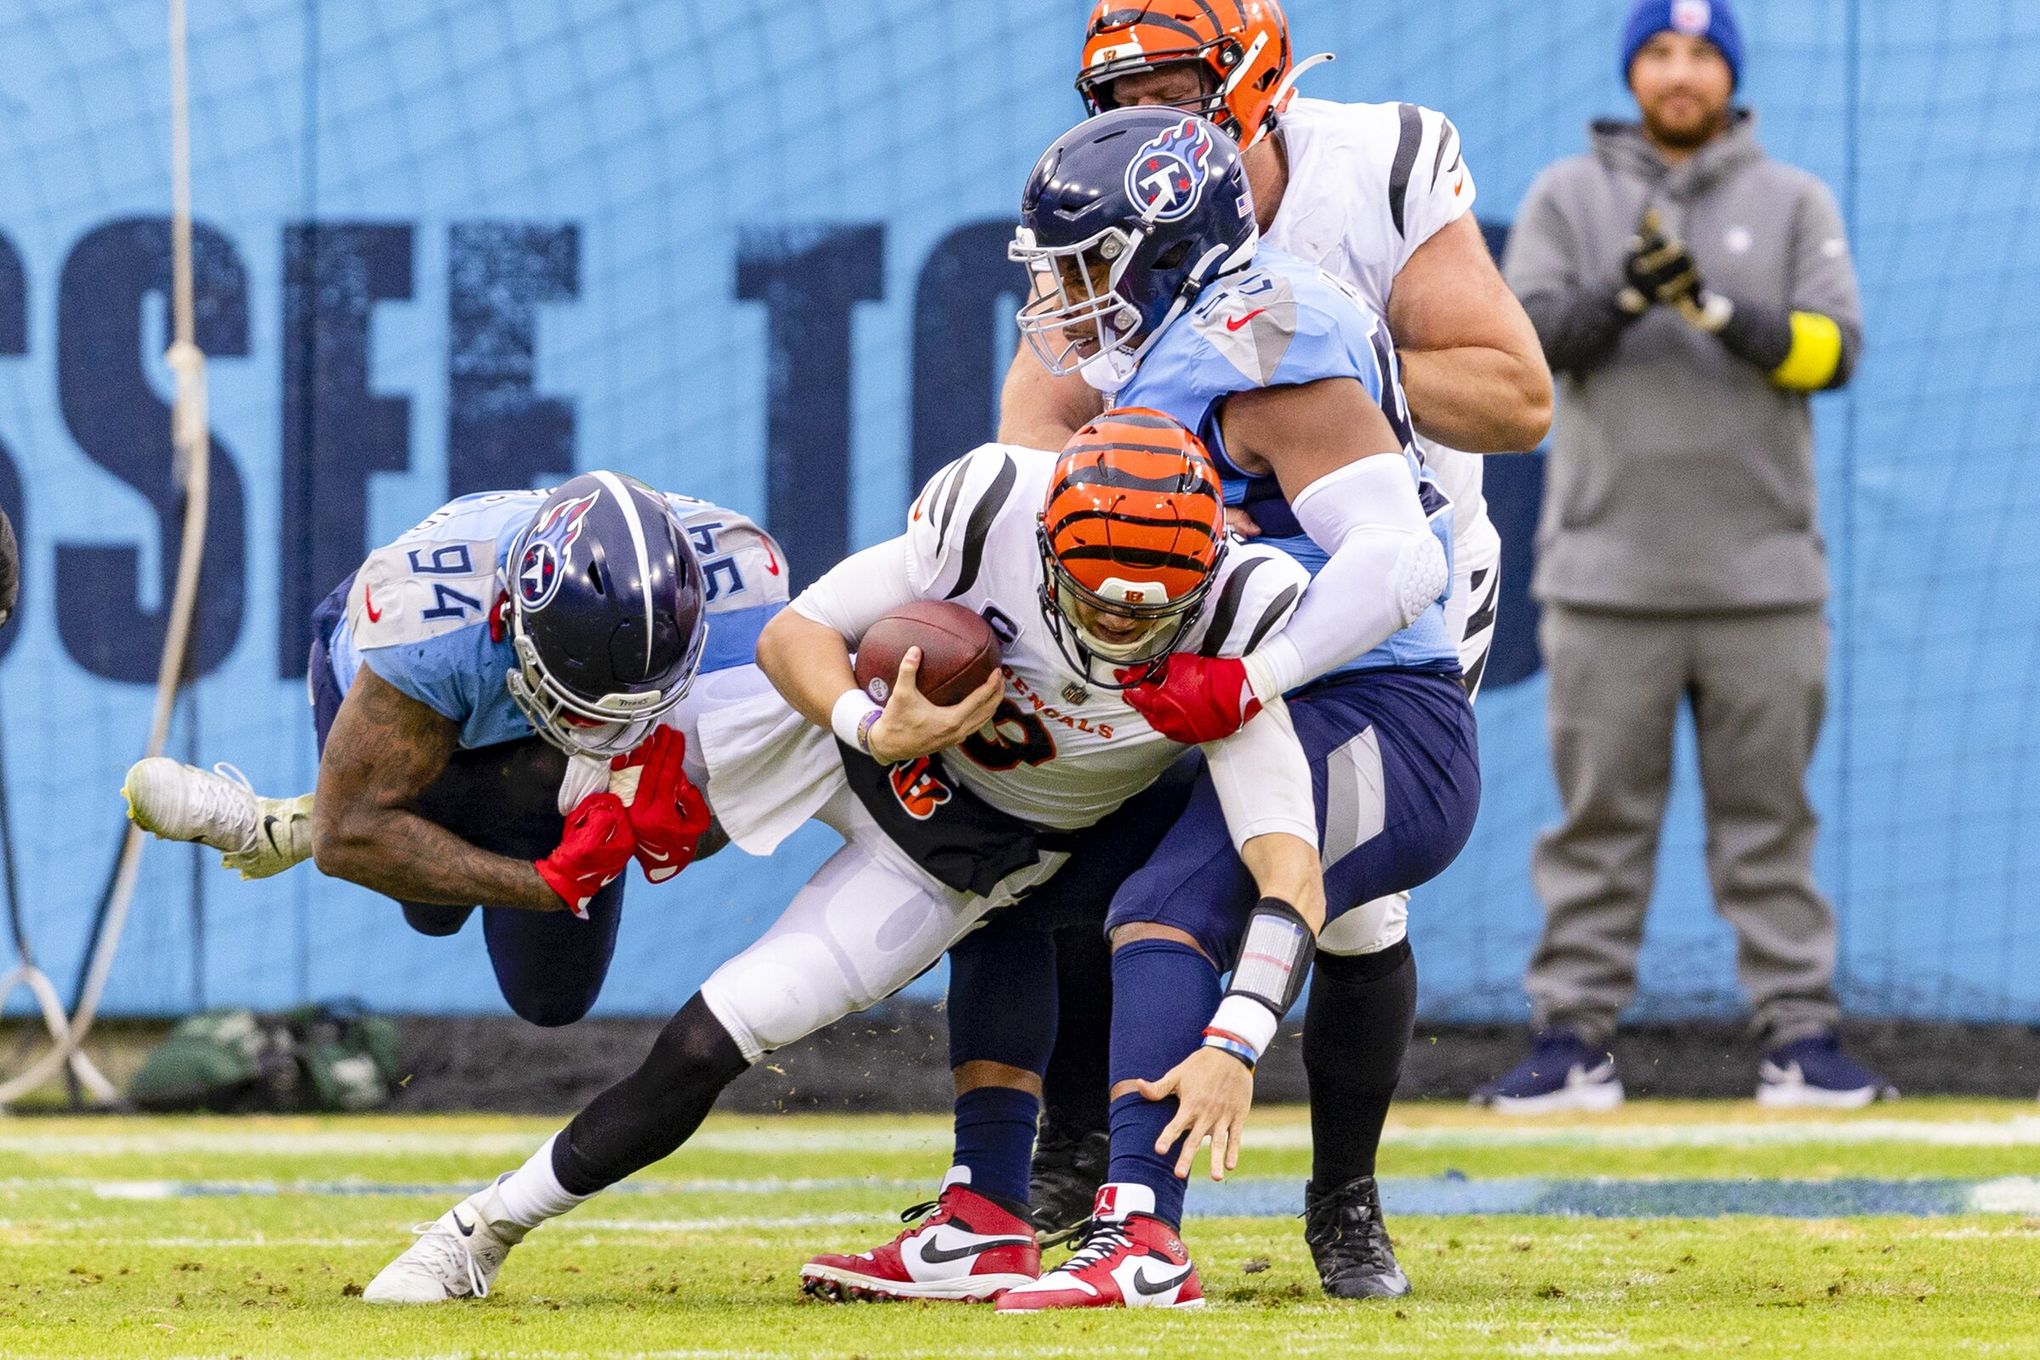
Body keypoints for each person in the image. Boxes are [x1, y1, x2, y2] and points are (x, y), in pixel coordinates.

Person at [357, 411, 1326, 1305]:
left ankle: (476, 1232)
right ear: (1042, 539)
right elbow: (797, 632)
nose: (1118, 623)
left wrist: (1237, 1035)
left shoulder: (1246, 620)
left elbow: (1288, 861)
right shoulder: (989, 506)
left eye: (1147, 609)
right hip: (821, 742)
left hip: (950, 855)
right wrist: (868, 721)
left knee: (706, 1042)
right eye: (1094, 594)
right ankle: (330, 832)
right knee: (551, 779)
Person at [806, 107, 1480, 1313]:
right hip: (1254, 699)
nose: (1063, 292)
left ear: (1163, 246)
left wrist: (1248, 677)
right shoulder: (1178, 333)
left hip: (1377, 709)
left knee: (1180, 897)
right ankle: (986, 1215)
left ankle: (1145, 1236)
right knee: (1011, 860)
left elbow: (1400, 566)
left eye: (1084, 262)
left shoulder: (1265, 330)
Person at [995, 0, 1551, 1284]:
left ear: (1251, 78)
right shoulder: (1109, 212)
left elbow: (1519, 398)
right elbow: (1031, 450)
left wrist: (1304, 370)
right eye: (1123, 91)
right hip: (1198, 591)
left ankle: (1340, 1193)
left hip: (1372, 586)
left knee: (1341, 901)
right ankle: (1088, 1156)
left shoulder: (1364, 183)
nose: (1154, 114)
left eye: (1180, 82)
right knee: (1095, 837)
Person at [1474, 0, 1890, 1112]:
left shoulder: (1792, 196)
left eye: (1702, 53)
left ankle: (1800, 1037)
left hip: (1765, 580)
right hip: (1608, 580)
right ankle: (1572, 1039)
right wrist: (1623, 296)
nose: (1680, 71)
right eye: (1660, 50)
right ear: (1633, 68)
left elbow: (1832, 349)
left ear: (1730, 73)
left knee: (1771, 821)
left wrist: (1712, 307)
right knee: (1596, 826)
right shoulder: (1571, 194)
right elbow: (1532, 339)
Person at [121, 471, 782, 1026]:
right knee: (430, 910)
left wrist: (689, 821)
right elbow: (352, 835)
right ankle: (286, 825)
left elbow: (746, 797)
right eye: (583, 703)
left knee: (551, 998)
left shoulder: (744, 588)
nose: (600, 730)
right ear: (511, 620)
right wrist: (548, 884)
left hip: (537, 732)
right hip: (431, 715)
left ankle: (300, 820)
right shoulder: (430, 626)